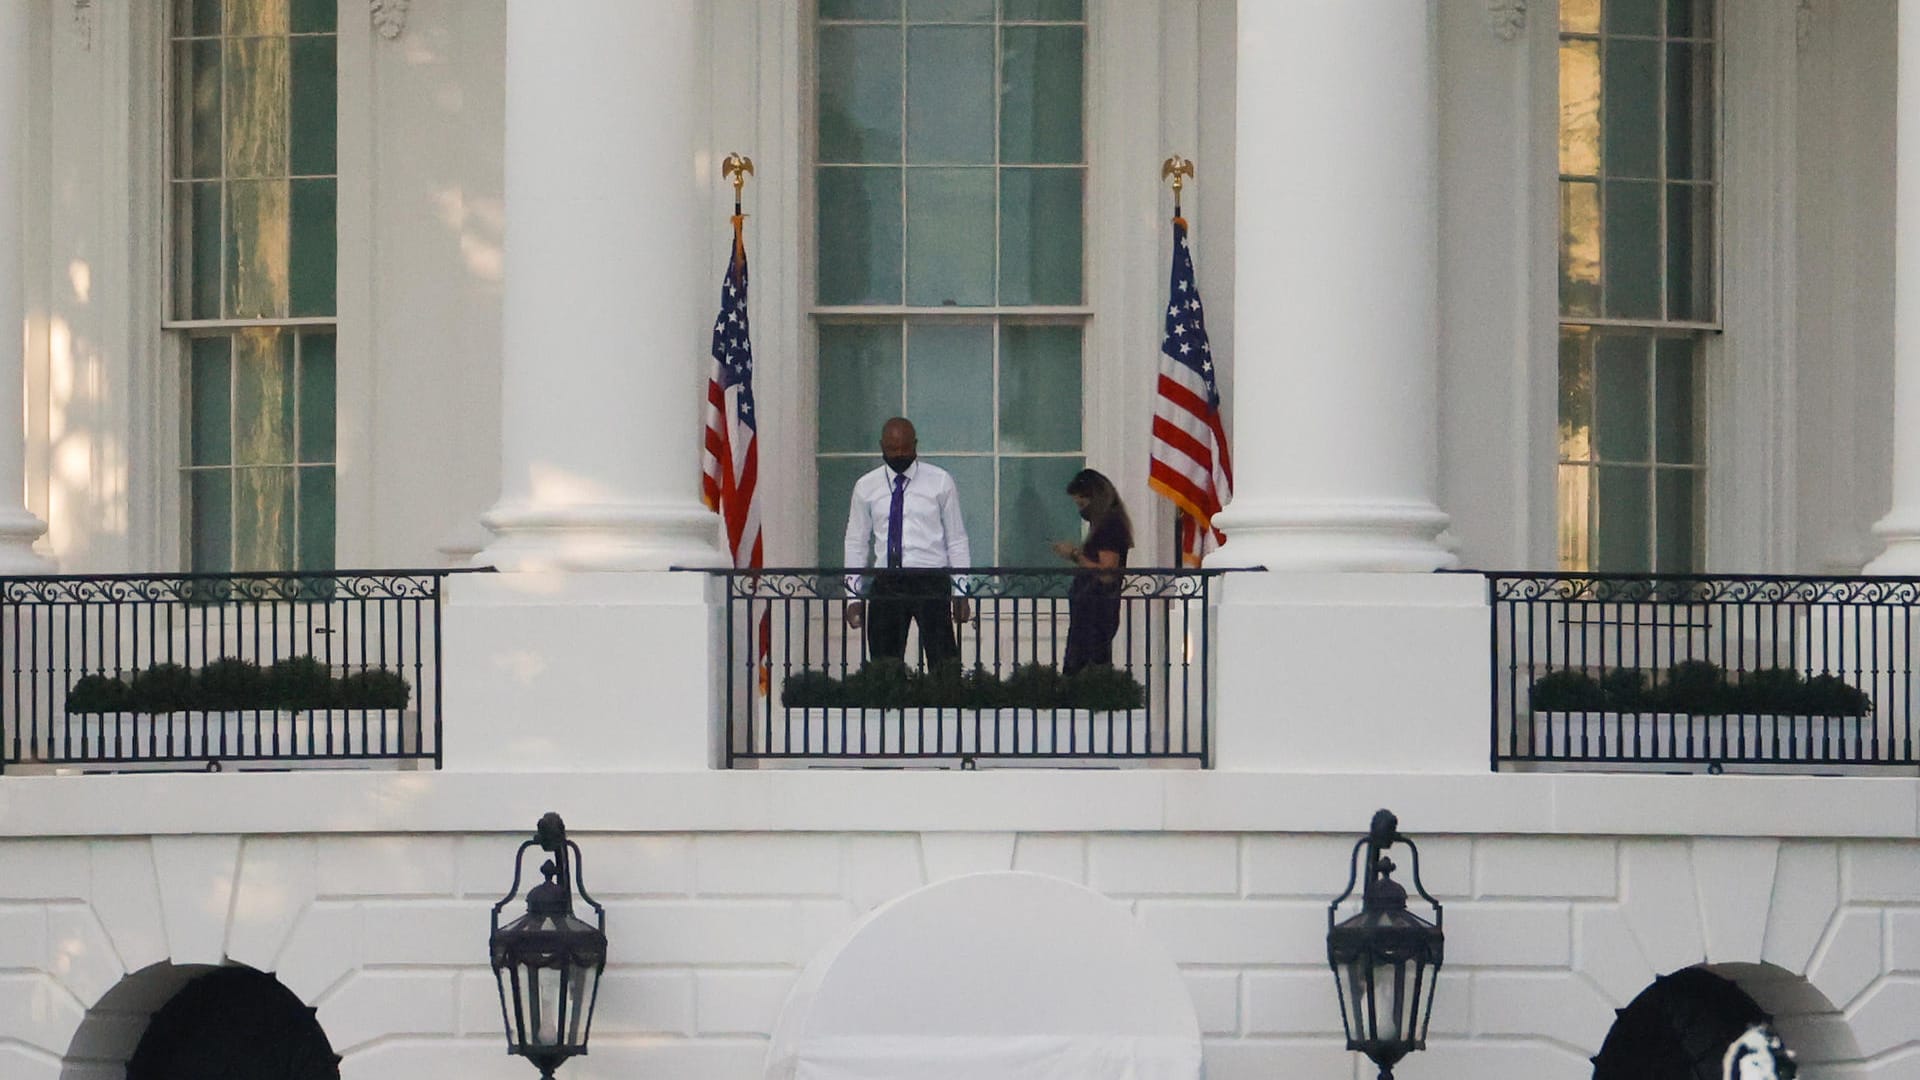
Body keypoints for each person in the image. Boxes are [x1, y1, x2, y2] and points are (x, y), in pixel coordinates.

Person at [843, 417, 971, 665]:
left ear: (916, 445)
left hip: (930, 579)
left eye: (906, 449)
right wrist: (853, 597)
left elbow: (956, 539)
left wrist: (961, 590)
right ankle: (889, 704)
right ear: (882, 446)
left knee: (943, 661)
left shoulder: (940, 481)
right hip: (887, 580)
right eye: (893, 449)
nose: (899, 454)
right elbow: (856, 542)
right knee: (884, 664)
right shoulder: (866, 487)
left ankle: (945, 703)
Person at [1051, 468, 1133, 675]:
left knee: (1084, 666)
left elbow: (1107, 573)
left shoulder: (1109, 527)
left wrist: (1075, 555)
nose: (1081, 510)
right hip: (1088, 608)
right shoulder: (1106, 525)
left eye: (1082, 503)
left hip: (1096, 611)